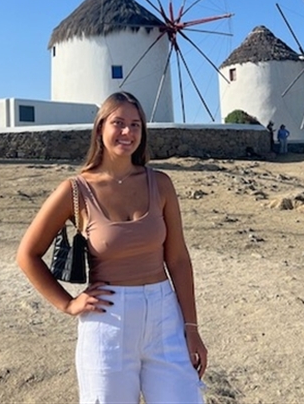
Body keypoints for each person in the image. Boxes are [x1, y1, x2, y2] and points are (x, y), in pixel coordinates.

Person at [16, 91, 207, 404]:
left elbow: (178, 260)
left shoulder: (160, 184)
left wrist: (191, 327)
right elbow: (27, 254)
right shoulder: (76, 190)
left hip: (164, 315)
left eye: (135, 125)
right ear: (100, 128)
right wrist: (67, 304)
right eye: (118, 123)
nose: (127, 132)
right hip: (107, 320)